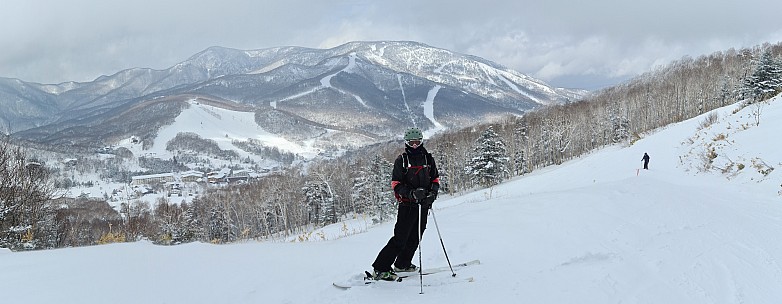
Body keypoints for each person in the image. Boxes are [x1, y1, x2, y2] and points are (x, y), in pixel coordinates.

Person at [371, 127, 440, 281]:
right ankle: (380, 268)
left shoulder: (428, 159)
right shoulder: (401, 160)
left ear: (421, 141)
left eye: (417, 142)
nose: (414, 145)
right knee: (400, 238)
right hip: (407, 206)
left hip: (423, 205)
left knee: (416, 236)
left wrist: (432, 194)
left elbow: (435, 179)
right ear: (406, 143)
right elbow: (396, 184)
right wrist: (411, 193)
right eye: (411, 143)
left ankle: (402, 264)